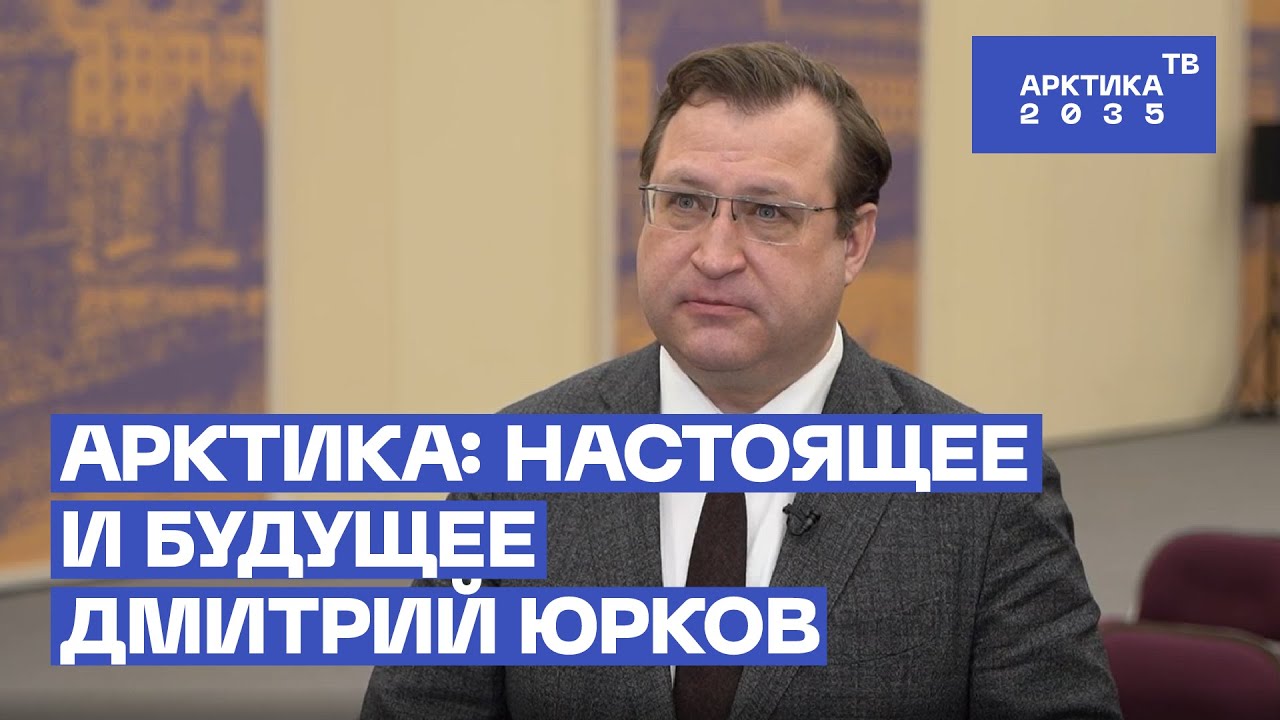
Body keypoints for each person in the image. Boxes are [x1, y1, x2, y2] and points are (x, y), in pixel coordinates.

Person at [360, 41, 1122, 720]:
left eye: (768, 213)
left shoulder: (990, 498)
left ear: (854, 242)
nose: (715, 255)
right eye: (685, 203)